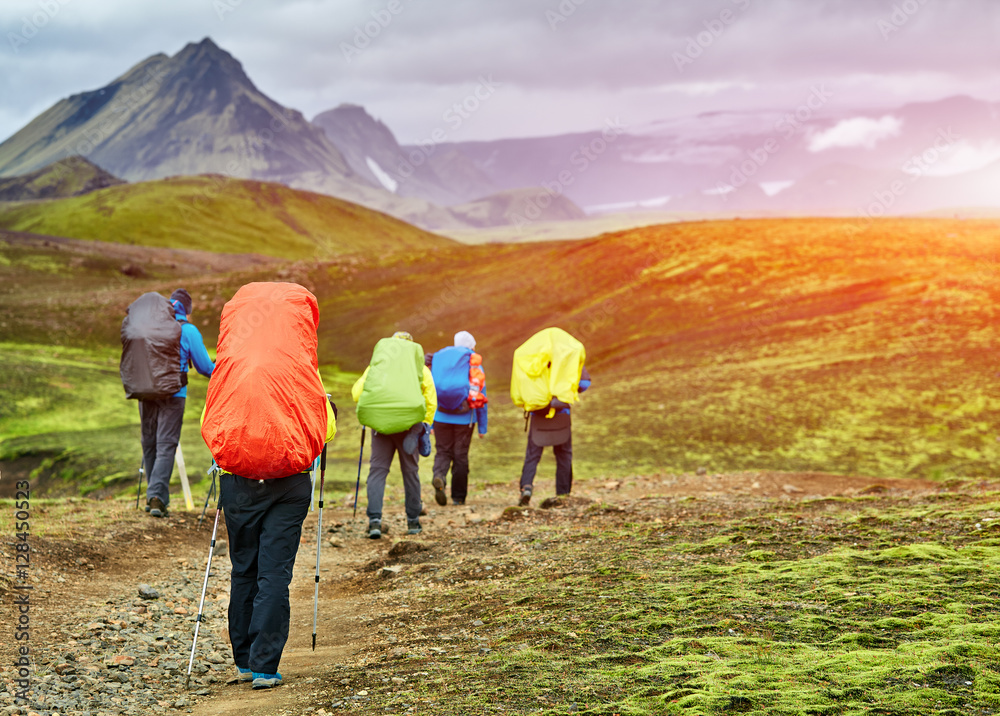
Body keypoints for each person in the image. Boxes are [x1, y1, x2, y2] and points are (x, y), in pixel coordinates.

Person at [201, 281, 337, 690]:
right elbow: (325, 431)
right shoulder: (302, 371)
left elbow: (212, 424)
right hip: (289, 484)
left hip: (238, 483)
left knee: (243, 569)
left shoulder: (228, 370)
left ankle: (242, 661)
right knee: (274, 574)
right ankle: (264, 666)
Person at [353, 331, 437, 538]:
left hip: (381, 427)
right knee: (410, 472)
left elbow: (357, 393)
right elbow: (431, 396)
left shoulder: (377, 366)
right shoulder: (419, 367)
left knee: (378, 471)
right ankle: (413, 522)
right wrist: (425, 423)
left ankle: (374, 521)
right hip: (409, 425)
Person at [141, 288, 214, 518]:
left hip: (146, 392)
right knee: (166, 444)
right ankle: (156, 498)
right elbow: (204, 367)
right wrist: (222, 369)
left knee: (150, 443)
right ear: (187, 311)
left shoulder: (150, 327)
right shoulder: (188, 330)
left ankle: (153, 494)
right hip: (174, 394)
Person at [428, 330, 488, 506]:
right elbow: (481, 394)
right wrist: (482, 427)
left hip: (440, 416)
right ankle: (458, 497)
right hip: (465, 418)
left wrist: (430, 421)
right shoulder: (474, 363)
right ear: (471, 345)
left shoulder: (440, 360)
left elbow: (431, 391)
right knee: (460, 456)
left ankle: (439, 476)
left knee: (442, 451)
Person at [519, 366, 591, 506]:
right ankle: (562, 496)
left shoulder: (534, 357)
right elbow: (584, 383)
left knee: (532, 456)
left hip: (538, 413)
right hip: (561, 413)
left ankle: (526, 488)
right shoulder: (567, 354)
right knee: (564, 456)